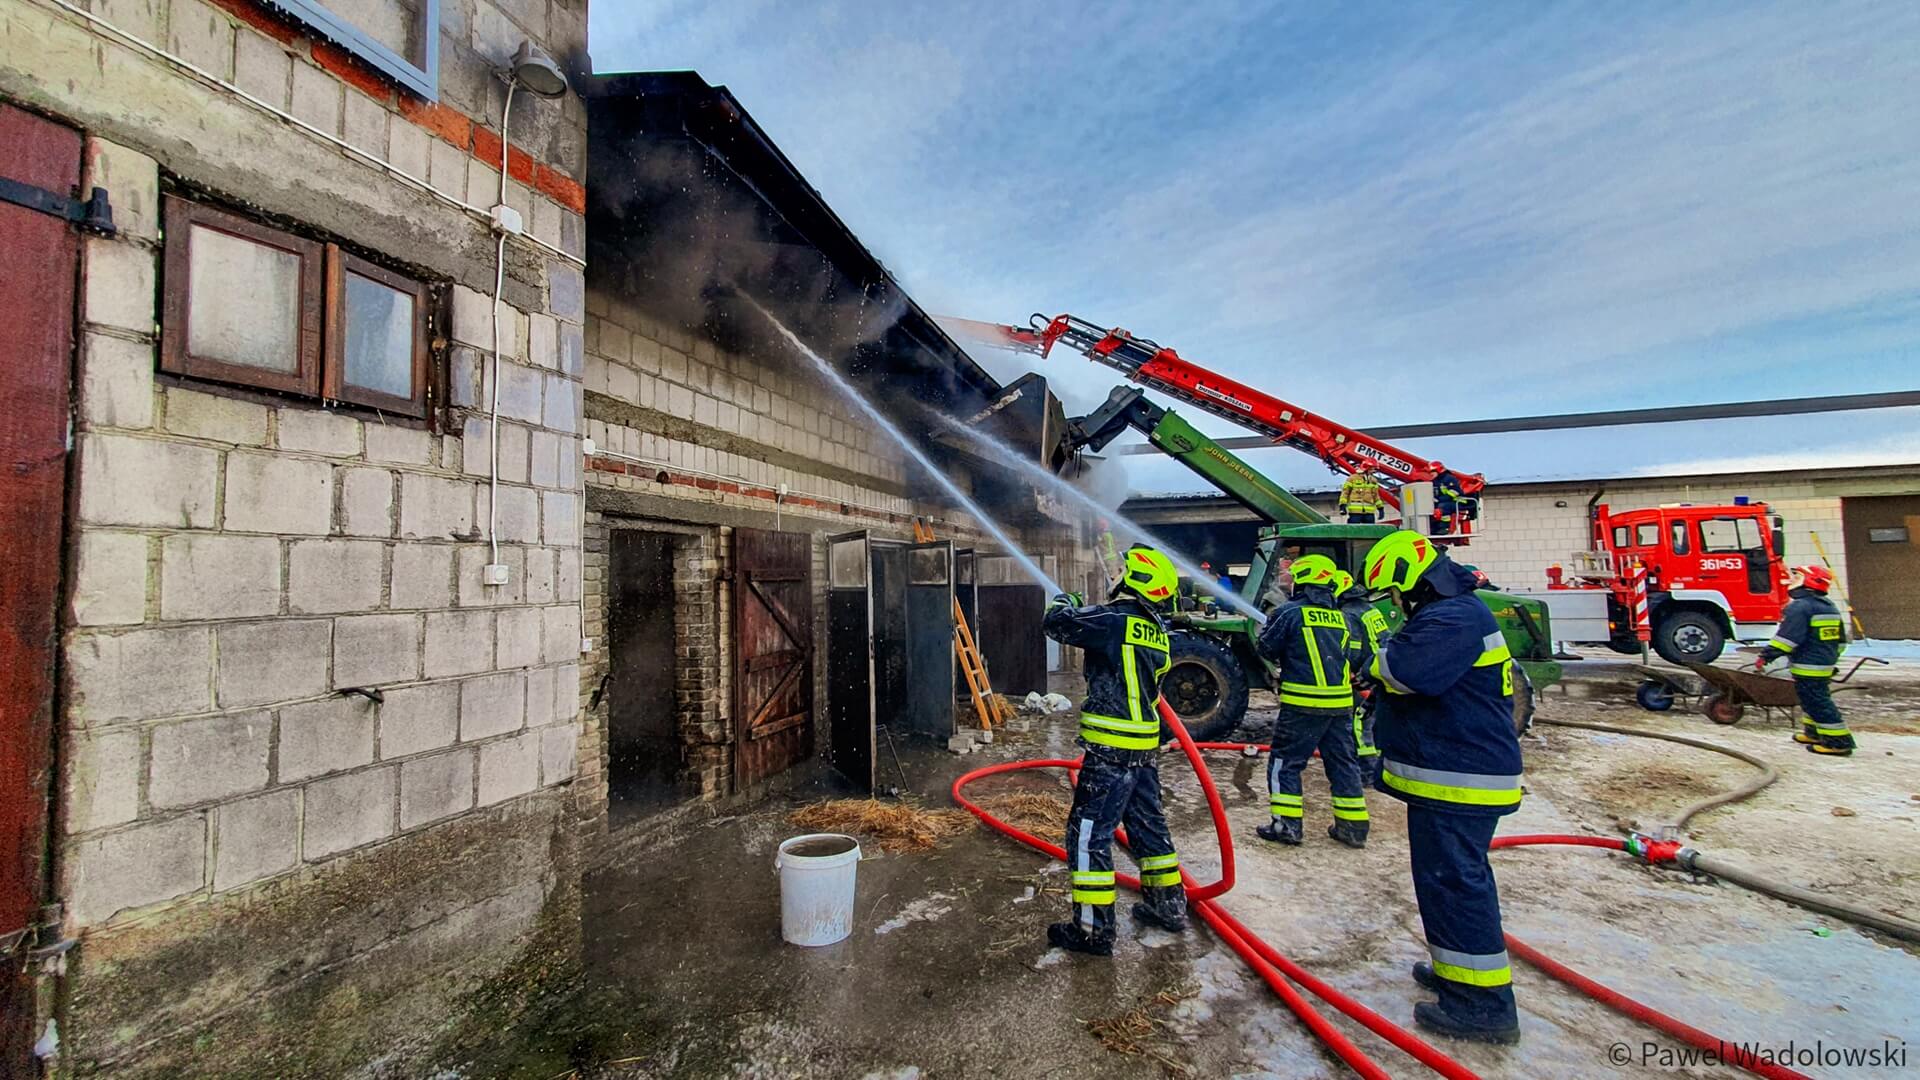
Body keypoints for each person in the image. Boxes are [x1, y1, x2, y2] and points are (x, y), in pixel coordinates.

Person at [1363, 530, 1523, 1045]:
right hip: (1456, 776)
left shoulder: (1452, 619)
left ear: (1412, 583)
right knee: (1447, 882)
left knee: (1455, 885)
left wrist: (1359, 649)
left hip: (1462, 779)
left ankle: (1482, 1007)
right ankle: (1460, 974)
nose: (1395, 604)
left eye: (1394, 593)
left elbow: (1403, 671)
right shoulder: (1456, 613)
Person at [1042, 545, 1189, 956]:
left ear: (1136, 581)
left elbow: (1056, 622)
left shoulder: (1115, 620)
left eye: (1123, 571)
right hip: (1144, 748)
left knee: (1087, 837)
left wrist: (1064, 599)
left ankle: (1092, 931)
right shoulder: (1156, 630)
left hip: (1111, 751)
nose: (1117, 576)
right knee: (1149, 827)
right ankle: (1169, 905)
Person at [1253, 555, 1369, 848]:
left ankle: (1287, 826)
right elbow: (1352, 658)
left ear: (1302, 583)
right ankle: (1353, 828)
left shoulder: (1289, 613)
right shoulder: (1342, 618)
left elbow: (1266, 648)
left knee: (1286, 763)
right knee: (1344, 764)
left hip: (1303, 706)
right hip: (1341, 706)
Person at [1754, 565, 1852, 755]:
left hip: (1808, 666)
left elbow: (1787, 639)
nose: (1791, 580)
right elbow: (1840, 641)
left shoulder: (1800, 608)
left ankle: (1838, 742)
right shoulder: (1828, 606)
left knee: (1818, 702)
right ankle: (1814, 732)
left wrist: (1766, 655)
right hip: (1823, 664)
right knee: (1810, 700)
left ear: (1809, 581)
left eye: (1797, 576)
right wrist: (1829, 661)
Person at [1333, 569, 1388, 784]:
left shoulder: (1348, 615)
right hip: (1380, 670)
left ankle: (1366, 772)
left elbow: (1353, 650)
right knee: (1371, 722)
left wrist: (1354, 674)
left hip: (1367, 675)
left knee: (1359, 723)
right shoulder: (1368, 609)